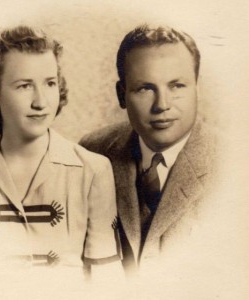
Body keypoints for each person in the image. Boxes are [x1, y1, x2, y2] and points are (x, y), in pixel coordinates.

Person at [0, 25, 121, 281]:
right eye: (24, 86)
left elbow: (107, 281)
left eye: (49, 83)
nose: (41, 102)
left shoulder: (92, 171)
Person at [80, 24, 217, 275]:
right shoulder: (93, 152)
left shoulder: (236, 162)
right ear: (122, 95)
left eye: (177, 86)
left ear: (197, 88)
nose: (162, 105)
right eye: (145, 88)